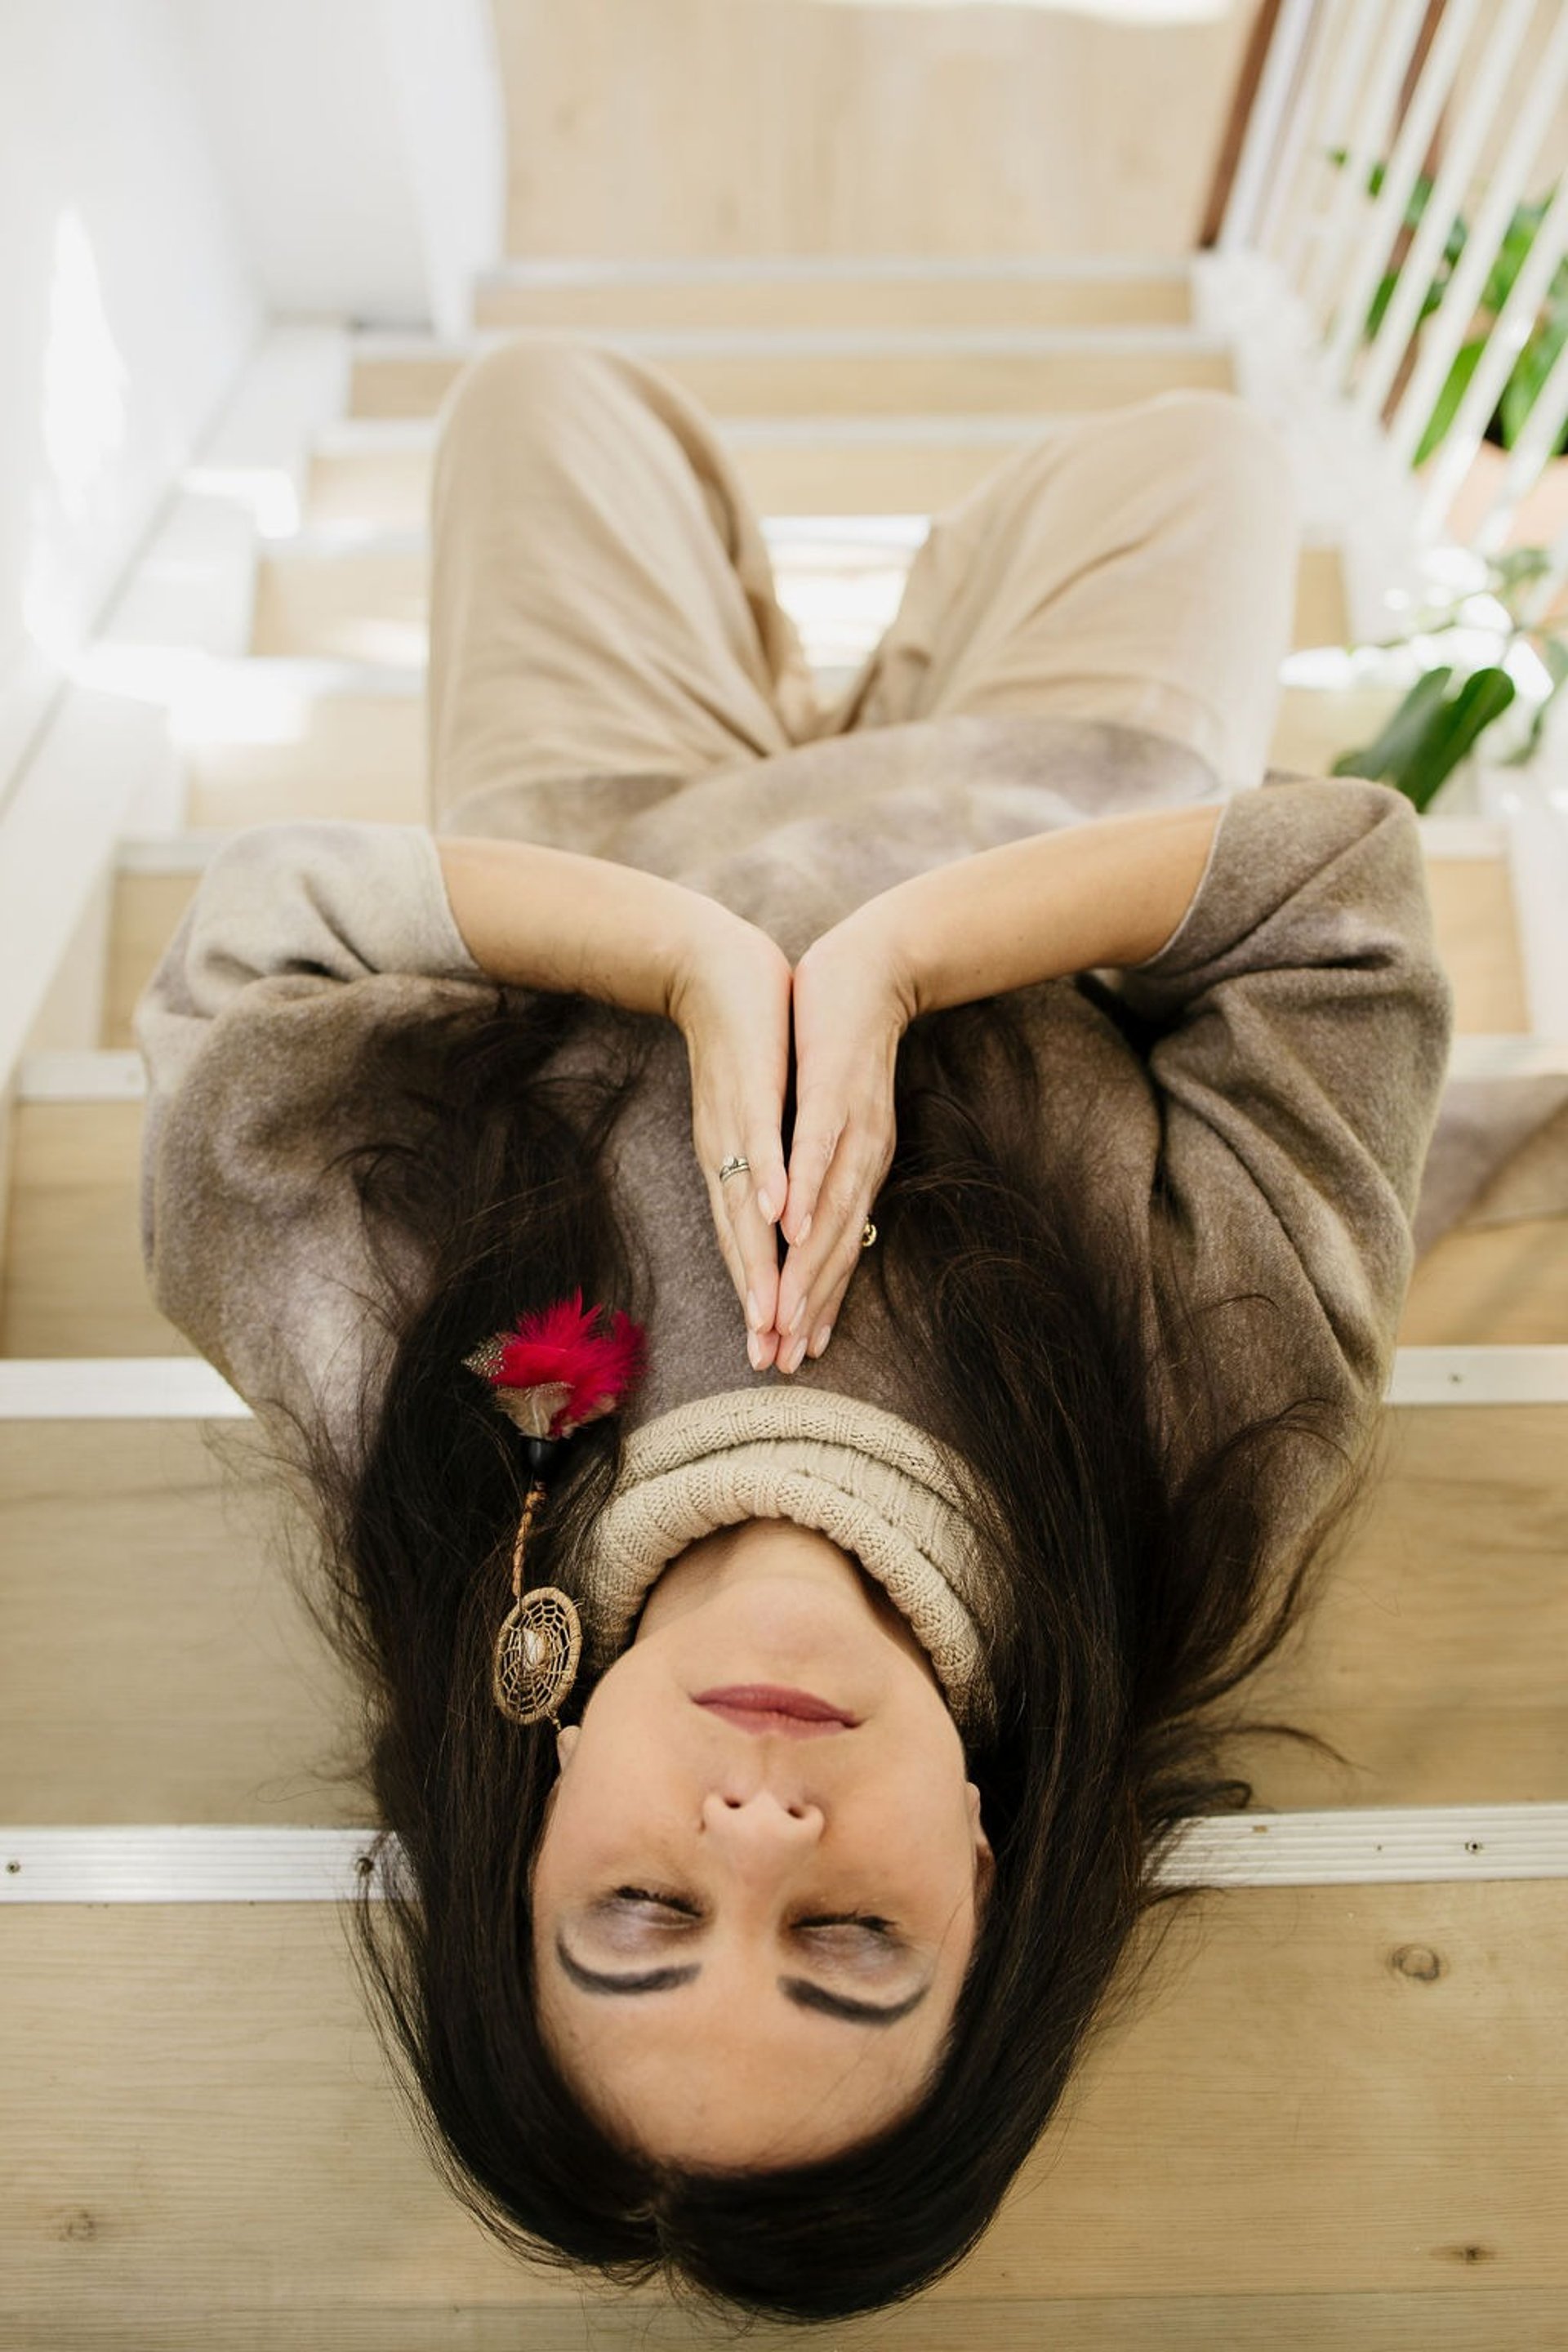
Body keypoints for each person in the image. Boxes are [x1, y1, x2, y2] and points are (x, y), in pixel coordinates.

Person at [134, 332, 1454, 2322]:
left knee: (540, 395)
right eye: (846, 1937)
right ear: (992, 1897)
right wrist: (909, 954)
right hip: (1052, 801)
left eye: (647, 1909)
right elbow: (1344, 901)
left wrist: (680, 952)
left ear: (538, 1823)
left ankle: (813, 677)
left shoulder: (448, 1428)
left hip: (596, 819)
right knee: (1205, 443)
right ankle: (916, 662)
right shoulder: (1187, 1464)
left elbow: (249, 969)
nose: (759, 1831)